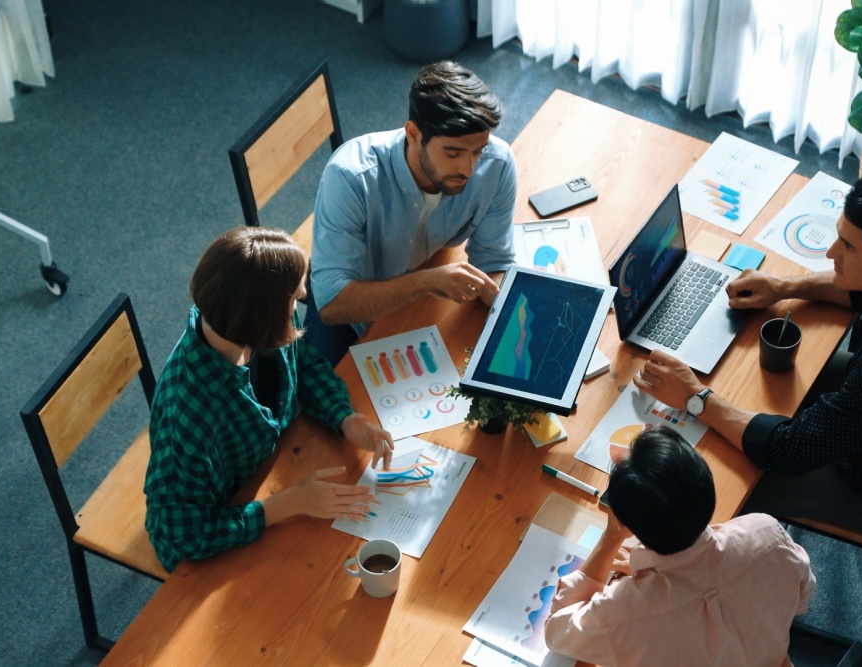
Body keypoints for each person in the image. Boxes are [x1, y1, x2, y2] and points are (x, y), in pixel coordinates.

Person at [634, 173, 862, 533]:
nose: (830, 252)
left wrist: (695, 398)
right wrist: (783, 287)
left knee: (707, 485)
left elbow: (792, 450)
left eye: (847, 247)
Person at [145, 227, 395, 572]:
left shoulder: (258, 317)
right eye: (295, 299)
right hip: (227, 526)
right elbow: (182, 536)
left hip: (275, 466)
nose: (302, 300)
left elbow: (304, 364)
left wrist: (345, 418)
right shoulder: (188, 414)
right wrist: (287, 504)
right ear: (260, 317)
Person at [544, 426, 815, 667]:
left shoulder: (624, 613)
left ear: (627, 522)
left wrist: (611, 538)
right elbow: (802, 599)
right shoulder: (768, 534)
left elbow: (557, 633)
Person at [305, 60, 517, 365]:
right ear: (414, 134)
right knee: (323, 401)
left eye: (478, 151)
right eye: (453, 153)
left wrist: (507, 312)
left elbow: (495, 262)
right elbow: (332, 303)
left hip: (423, 289)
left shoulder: (497, 164)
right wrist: (426, 282)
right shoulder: (351, 177)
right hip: (350, 302)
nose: (469, 169)